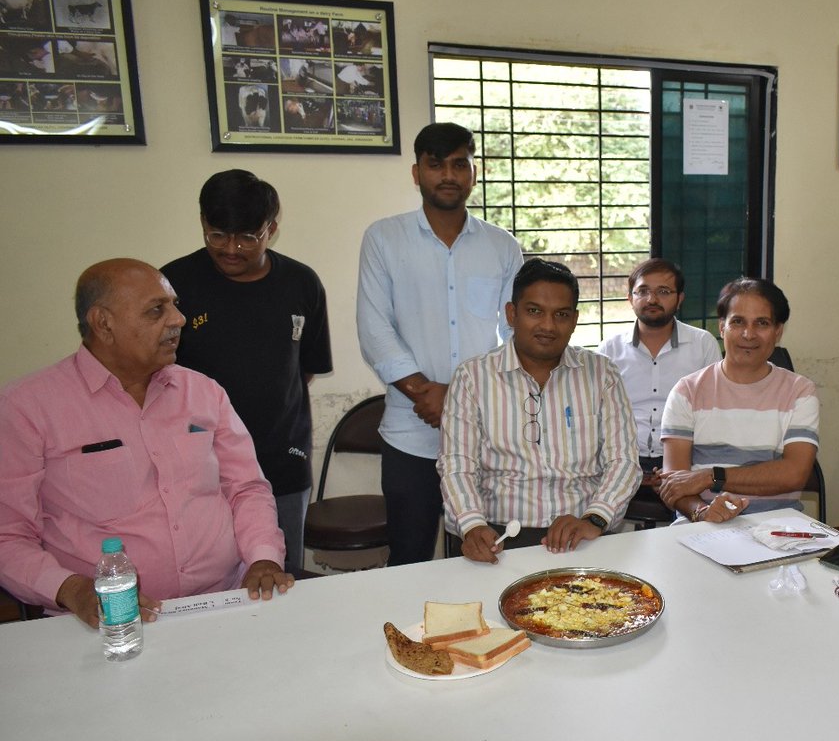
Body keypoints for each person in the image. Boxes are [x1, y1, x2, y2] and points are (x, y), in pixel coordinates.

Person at [0, 260, 292, 628]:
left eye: (174, 305)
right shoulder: (28, 407)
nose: (179, 320)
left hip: (226, 603)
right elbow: (7, 537)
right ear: (103, 323)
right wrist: (72, 589)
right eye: (157, 310)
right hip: (107, 622)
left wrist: (263, 558)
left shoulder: (203, 392)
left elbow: (247, 489)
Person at [357, 122, 523, 565]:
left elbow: (515, 335)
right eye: (435, 165)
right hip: (411, 434)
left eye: (458, 164)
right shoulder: (383, 239)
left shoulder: (502, 246)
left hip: (489, 436)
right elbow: (375, 330)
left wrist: (461, 398)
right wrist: (426, 392)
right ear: (416, 173)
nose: (448, 175)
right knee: (409, 557)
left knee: (491, 555)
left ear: (474, 171)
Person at [161, 170, 332, 577]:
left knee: (279, 572)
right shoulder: (173, 284)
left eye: (247, 237)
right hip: (196, 463)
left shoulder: (301, 283)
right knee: (203, 576)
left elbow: (304, 369)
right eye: (218, 235)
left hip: (281, 457)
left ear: (271, 229)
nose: (231, 249)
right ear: (203, 223)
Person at [438, 258, 640, 564]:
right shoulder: (472, 378)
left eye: (561, 315)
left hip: (582, 535)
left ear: (574, 320)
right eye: (534, 311)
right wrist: (471, 525)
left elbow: (623, 461)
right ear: (511, 314)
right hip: (498, 539)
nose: (548, 325)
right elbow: (457, 465)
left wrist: (596, 518)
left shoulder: (602, 375)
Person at [657, 278, 819, 524]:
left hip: (778, 525)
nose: (748, 334)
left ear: (778, 331)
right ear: (722, 328)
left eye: (762, 323)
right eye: (738, 321)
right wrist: (702, 511)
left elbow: (794, 474)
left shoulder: (800, 391)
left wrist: (710, 477)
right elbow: (673, 484)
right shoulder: (687, 391)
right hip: (701, 524)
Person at [596, 258, 721, 476]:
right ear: (629, 298)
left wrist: (682, 468)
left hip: (686, 462)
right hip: (622, 462)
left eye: (663, 291)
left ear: (679, 299)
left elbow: (713, 413)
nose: (652, 299)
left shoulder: (702, 344)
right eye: (642, 291)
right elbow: (597, 415)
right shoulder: (610, 349)